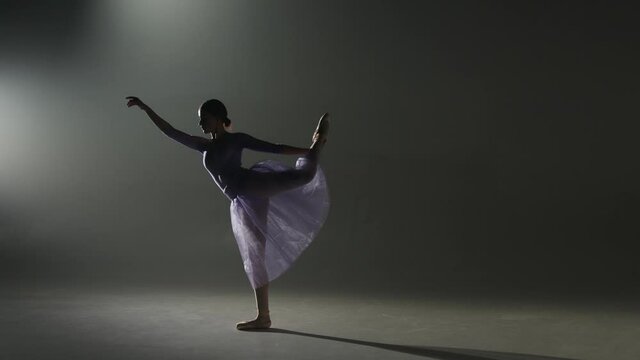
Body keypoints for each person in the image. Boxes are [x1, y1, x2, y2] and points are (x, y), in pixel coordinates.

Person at [126, 96, 330, 330]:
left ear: (219, 118)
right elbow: (171, 131)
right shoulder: (204, 145)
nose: (201, 123)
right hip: (243, 201)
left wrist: (307, 151)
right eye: (200, 120)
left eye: (205, 118)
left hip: (251, 185)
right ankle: (263, 317)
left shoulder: (236, 140)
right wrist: (145, 108)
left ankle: (317, 145)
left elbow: (274, 147)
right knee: (255, 257)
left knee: (301, 177)